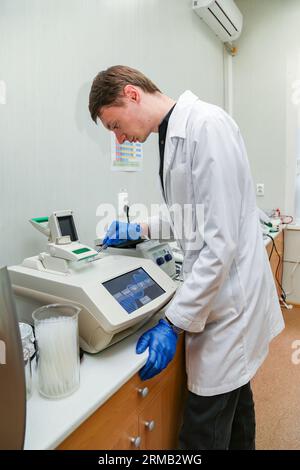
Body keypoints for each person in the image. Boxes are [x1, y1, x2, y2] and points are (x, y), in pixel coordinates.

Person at [88, 65, 284, 450]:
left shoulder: (206, 127)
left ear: (131, 94)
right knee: (237, 407)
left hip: (231, 308)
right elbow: (191, 215)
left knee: (202, 431)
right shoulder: (173, 135)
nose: (120, 137)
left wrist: (171, 325)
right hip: (221, 304)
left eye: (114, 125)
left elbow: (219, 243)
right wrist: (140, 228)